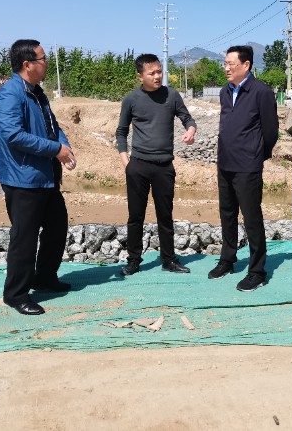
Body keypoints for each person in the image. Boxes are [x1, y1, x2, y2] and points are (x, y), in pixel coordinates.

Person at [0, 39, 77, 316]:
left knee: (57, 227)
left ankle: (45, 278)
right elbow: (13, 135)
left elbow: (53, 126)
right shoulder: (10, 94)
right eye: (43, 59)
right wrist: (55, 149)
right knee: (24, 239)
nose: (47, 63)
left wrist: (64, 146)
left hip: (45, 176)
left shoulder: (38, 93)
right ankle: (16, 294)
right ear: (27, 64)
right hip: (23, 178)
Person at [116, 53, 197, 276]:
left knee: (165, 215)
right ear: (140, 76)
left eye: (159, 71)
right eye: (152, 73)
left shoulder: (172, 95)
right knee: (135, 216)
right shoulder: (131, 99)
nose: (157, 76)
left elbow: (187, 119)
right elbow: (121, 132)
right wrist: (126, 162)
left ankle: (169, 260)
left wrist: (191, 131)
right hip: (138, 166)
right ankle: (133, 260)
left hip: (164, 167)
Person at [209, 45, 278, 291]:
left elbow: (270, 131)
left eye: (231, 64)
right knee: (227, 214)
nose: (226, 68)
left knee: (252, 218)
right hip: (225, 163)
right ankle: (227, 260)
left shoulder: (261, 92)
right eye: (225, 64)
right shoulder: (224, 91)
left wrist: (257, 155)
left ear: (246, 65)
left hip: (248, 166)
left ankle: (257, 271)